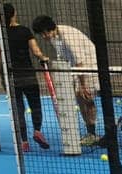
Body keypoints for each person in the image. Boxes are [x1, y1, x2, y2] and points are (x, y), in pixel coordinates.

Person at [31, 15, 100, 147]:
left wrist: (82, 85)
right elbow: (67, 59)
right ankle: (91, 133)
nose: (43, 37)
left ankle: (93, 133)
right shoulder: (54, 38)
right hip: (75, 68)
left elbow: (80, 62)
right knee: (81, 100)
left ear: (47, 30)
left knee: (86, 97)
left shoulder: (67, 37)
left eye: (43, 33)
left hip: (90, 66)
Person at [0, 4, 52, 151]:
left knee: (18, 110)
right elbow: (36, 51)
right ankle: (37, 131)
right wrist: (43, 57)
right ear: (14, 14)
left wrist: (2, 76)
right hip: (29, 76)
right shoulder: (25, 31)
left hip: (12, 78)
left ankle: (24, 141)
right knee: (35, 106)